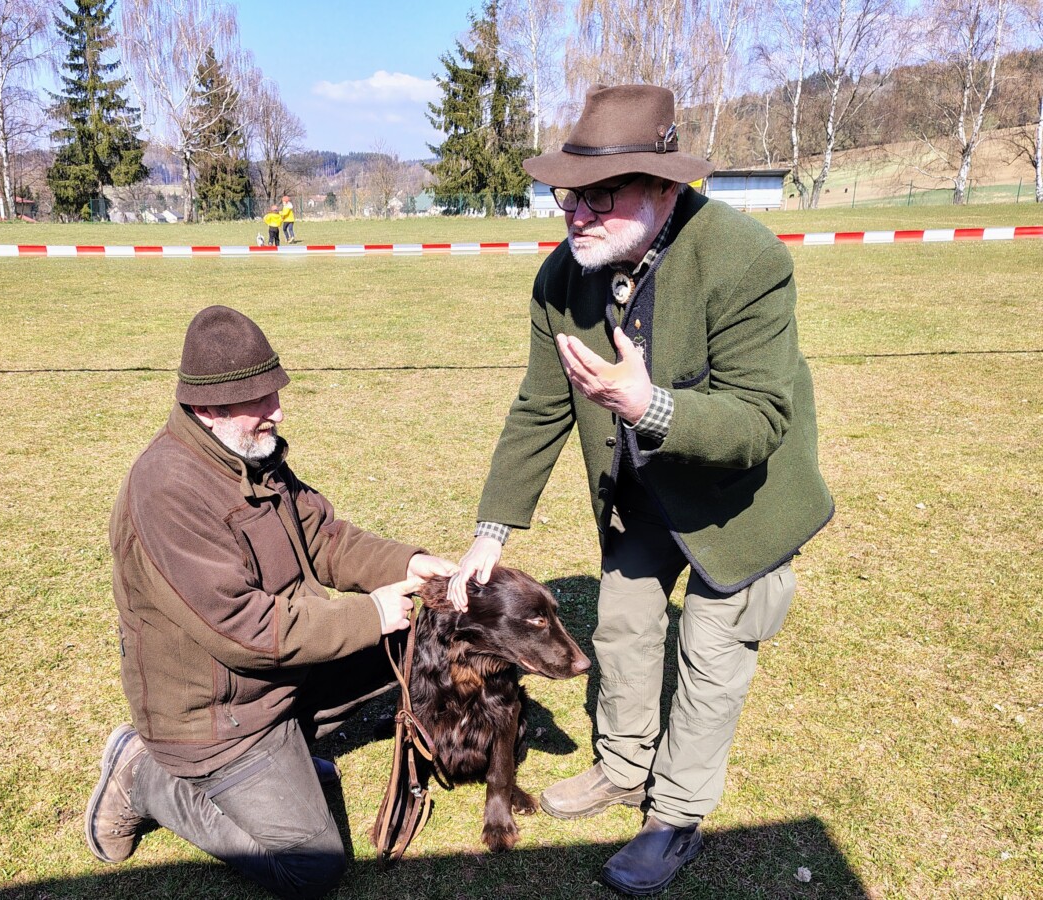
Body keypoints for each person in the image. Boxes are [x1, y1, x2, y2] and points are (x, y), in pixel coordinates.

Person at [448, 84, 833, 896]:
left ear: (665, 189)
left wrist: (647, 403)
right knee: (622, 628)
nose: (577, 215)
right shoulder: (562, 278)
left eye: (601, 196)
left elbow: (761, 418)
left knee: (709, 655)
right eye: (568, 195)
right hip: (642, 497)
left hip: (743, 505)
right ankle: (624, 767)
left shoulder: (748, 260)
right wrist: (492, 531)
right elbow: (539, 407)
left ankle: (674, 818)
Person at [86, 305, 456, 898]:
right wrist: (371, 613)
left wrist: (408, 565)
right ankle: (147, 777)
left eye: (274, 394)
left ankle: (287, 760)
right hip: (219, 719)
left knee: (416, 640)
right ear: (208, 409)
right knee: (313, 869)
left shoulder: (248, 457)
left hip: (275, 681)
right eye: (258, 401)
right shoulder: (166, 489)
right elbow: (241, 628)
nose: (277, 411)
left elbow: (325, 536)